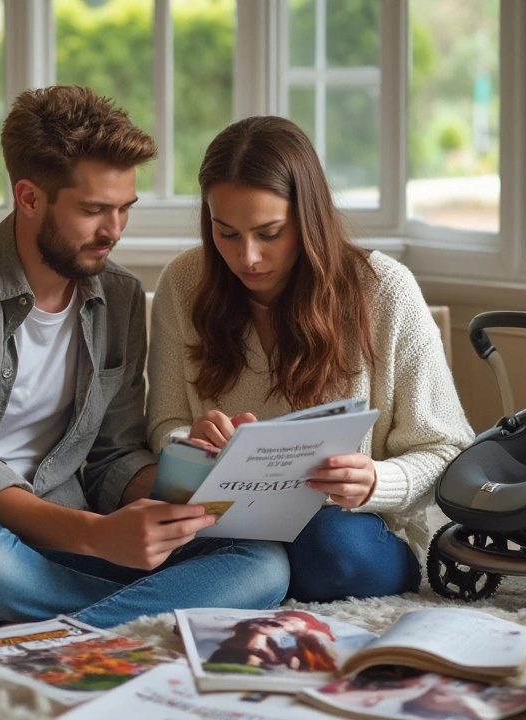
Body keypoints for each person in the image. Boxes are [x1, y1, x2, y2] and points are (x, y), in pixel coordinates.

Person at [0, 86, 290, 628]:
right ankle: (125, 617)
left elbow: (113, 458)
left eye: (125, 209)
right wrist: (98, 536)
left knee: (263, 563)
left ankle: (76, 630)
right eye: (93, 211)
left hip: (65, 541)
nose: (114, 231)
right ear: (30, 198)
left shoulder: (119, 296)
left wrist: (198, 479)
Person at [146, 115, 474, 603]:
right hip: (226, 519)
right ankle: (250, 572)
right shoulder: (184, 283)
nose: (248, 258)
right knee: (143, 531)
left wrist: (377, 481)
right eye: (226, 233)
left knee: (330, 548)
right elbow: (163, 423)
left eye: (269, 232)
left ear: (308, 218)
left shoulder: (386, 291)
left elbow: (449, 448)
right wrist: (187, 440)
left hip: (344, 529)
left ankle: (246, 577)